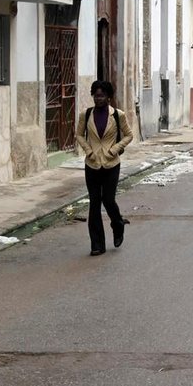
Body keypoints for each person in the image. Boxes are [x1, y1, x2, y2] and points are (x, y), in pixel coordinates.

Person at [76, 80, 132, 256]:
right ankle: (97, 244)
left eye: (101, 96)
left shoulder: (118, 115)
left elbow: (129, 135)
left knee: (108, 199)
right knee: (94, 203)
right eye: (96, 95)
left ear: (108, 97)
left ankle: (118, 224)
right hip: (92, 164)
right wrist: (88, 151)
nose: (98, 99)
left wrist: (115, 149)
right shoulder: (86, 114)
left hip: (111, 164)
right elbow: (79, 135)